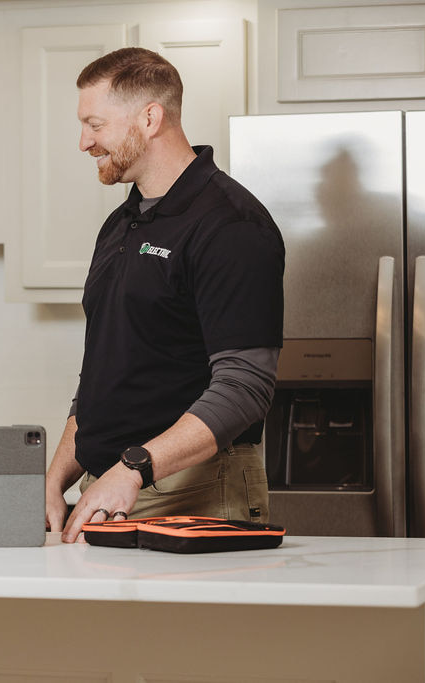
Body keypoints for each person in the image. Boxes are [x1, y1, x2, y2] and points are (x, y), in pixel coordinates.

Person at [46, 48, 285, 543]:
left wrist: (134, 468)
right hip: (114, 488)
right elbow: (106, 373)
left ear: (150, 118)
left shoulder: (229, 225)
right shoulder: (120, 223)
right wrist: (54, 480)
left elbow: (245, 388)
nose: (83, 142)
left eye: (95, 124)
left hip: (195, 491)